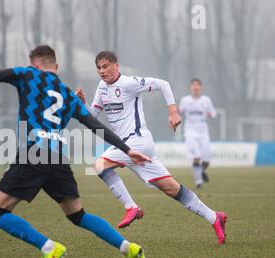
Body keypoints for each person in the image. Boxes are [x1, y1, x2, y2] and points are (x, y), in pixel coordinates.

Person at [0, 45, 151, 258]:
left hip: (34, 154)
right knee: (78, 215)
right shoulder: (66, 93)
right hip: (58, 159)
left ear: (35, 64)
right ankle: (128, 247)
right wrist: (127, 149)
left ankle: (48, 247)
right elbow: (95, 126)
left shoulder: (28, 74)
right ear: (56, 66)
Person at [75, 51, 227, 244]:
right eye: (98, 68)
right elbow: (92, 116)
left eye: (105, 66)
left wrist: (172, 112)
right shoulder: (102, 87)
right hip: (129, 147)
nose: (102, 71)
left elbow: (163, 84)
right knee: (172, 189)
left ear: (116, 66)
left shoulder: (129, 83)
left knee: (99, 165)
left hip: (137, 141)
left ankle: (131, 207)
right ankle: (214, 217)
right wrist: (82, 104)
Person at [179, 79, 216, 188]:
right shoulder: (185, 100)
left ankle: (201, 171)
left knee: (206, 161)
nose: (195, 87)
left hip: (203, 131)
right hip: (190, 131)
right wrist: (177, 112)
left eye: (197, 85)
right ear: (190, 88)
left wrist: (211, 114)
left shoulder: (206, 100)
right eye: (193, 85)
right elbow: (179, 112)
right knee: (197, 156)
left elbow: (213, 113)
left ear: (201, 87)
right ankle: (198, 182)